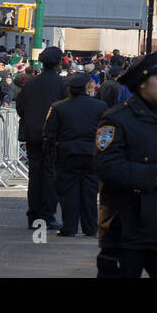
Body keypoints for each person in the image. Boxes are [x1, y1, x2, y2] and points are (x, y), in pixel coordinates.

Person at [92, 50, 157, 278]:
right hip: (126, 229)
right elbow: (107, 166)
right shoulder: (116, 118)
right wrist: (154, 177)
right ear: (142, 83)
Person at [43, 71, 107, 237]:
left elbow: (49, 133)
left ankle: (69, 227)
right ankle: (90, 227)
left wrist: (49, 154)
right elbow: (106, 132)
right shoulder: (100, 106)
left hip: (67, 153)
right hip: (92, 153)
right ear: (87, 87)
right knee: (90, 192)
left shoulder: (58, 107)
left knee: (68, 192)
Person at [15, 45, 65, 229]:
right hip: (51, 136)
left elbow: (20, 107)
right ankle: (46, 216)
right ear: (58, 63)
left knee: (35, 176)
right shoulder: (60, 84)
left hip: (32, 134)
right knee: (50, 175)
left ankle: (34, 216)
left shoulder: (31, 83)